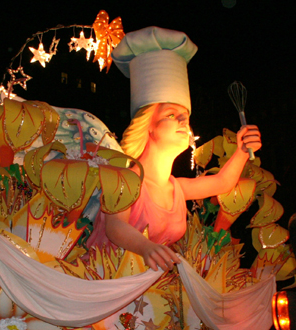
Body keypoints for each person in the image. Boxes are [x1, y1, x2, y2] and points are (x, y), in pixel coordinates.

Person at [86, 27, 261, 271]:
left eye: (185, 117)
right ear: (148, 126)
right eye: (171, 114)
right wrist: (146, 247)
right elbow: (115, 227)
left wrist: (242, 151)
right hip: (104, 280)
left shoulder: (177, 188)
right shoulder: (124, 178)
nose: (183, 122)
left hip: (147, 290)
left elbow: (222, 183)